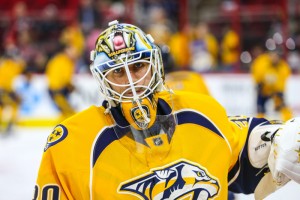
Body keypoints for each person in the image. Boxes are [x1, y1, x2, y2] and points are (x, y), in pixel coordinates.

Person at [34, 20, 300, 200]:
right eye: (117, 72)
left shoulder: (200, 112)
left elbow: (243, 149)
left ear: (156, 65)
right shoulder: (71, 144)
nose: (131, 81)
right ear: (101, 79)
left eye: (138, 66)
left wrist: (279, 135)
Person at [250, 49, 293, 121]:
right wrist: (258, 83)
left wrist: (278, 94)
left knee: (283, 107)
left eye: (276, 56)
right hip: (263, 90)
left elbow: (282, 83)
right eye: (272, 55)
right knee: (260, 109)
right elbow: (256, 73)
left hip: (275, 91)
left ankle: (290, 122)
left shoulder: (283, 67)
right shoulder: (262, 62)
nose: (274, 58)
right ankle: (258, 124)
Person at [45, 44, 79, 121]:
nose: (75, 54)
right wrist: (59, 89)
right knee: (69, 112)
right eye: (73, 51)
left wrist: (68, 85)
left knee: (65, 112)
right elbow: (56, 77)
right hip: (57, 91)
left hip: (60, 90)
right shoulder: (61, 61)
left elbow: (66, 78)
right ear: (67, 51)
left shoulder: (68, 62)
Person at [0, 40, 25, 135]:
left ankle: (10, 123)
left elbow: (22, 66)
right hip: (2, 89)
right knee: (8, 105)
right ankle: (7, 124)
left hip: (7, 89)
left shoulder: (11, 65)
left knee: (12, 104)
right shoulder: (4, 65)